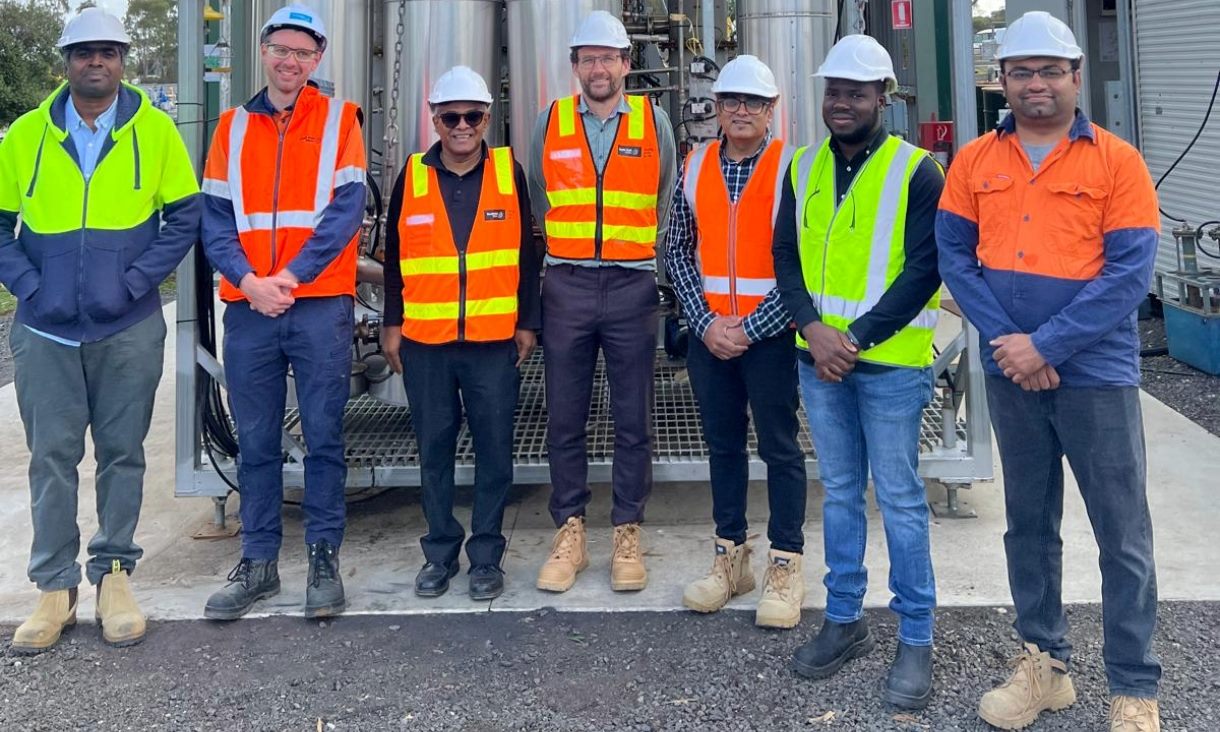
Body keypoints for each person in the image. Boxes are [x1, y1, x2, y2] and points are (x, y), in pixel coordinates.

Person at [936, 12, 1161, 732]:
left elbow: (1129, 276)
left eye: (1049, 71)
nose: (1036, 84)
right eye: (1021, 72)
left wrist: (1047, 346)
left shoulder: (1116, 162)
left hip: (1096, 374)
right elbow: (955, 262)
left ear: (1074, 77)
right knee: (1029, 526)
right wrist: (1011, 344)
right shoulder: (974, 162)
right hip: (1012, 373)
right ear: (1001, 80)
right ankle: (1044, 665)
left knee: (1120, 531)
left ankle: (1134, 686)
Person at [0, 7, 200, 652]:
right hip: (47, 331)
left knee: (122, 455)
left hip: (128, 328)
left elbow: (185, 217)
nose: (96, 62)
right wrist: (31, 289)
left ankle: (115, 574)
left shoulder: (155, 130)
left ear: (123, 61)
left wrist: (135, 282)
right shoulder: (25, 136)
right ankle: (54, 587)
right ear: (66, 61)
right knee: (52, 460)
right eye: (84, 52)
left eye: (108, 52)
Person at [774, 35, 945, 709]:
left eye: (855, 92)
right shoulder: (804, 165)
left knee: (900, 498)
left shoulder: (917, 171)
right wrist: (815, 333)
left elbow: (925, 268)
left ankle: (916, 636)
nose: (840, 102)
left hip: (890, 367)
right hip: (820, 361)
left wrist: (856, 337)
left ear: (883, 98)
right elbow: (784, 257)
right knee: (841, 492)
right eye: (833, 91)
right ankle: (844, 619)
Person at [200, 4, 366, 620]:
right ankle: (259, 562)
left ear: (317, 59)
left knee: (323, 438)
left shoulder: (339, 120)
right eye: (282, 50)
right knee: (257, 443)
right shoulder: (231, 128)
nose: (291, 61)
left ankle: (324, 556)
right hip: (249, 306)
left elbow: (345, 212)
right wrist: (250, 281)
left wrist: (288, 278)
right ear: (264, 51)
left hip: (316, 303)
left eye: (304, 53)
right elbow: (214, 222)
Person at [527, 10, 676, 593]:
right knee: (564, 414)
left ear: (625, 64)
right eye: (587, 58)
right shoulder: (550, 122)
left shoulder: (652, 120)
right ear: (574, 67)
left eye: (607, 58)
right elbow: (540, 198)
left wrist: (639, 251)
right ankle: (570, 532)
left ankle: (626, 531)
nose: (598, 68)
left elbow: (665, 195)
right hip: (565, 283)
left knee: (633, 416)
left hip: (632, 284)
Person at [380, 66, 541, 601]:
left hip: (493, 344)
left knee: (496, 452)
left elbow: (527, 254)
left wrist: (526, 321)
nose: (462, 126)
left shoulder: (507, 172)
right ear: (435, 120)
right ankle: (440, 552)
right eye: (451, 117)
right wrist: (391, 324)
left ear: (487, 119)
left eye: (472, 116)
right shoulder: (412, 176)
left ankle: (487, 556)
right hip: (426, 344)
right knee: (435, 450)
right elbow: (397, 260)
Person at [665, 55, 806, 628]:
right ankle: (730, 558)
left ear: (773, 110)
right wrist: (705, 324)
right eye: (730, 101)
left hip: (768, 337)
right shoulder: (695, 164)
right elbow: (675, 249)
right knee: (722, 447)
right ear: (716, 109)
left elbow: (804, 264)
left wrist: (749, 327)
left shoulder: (795, 168)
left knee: (780, 448)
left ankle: (785, 563)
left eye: (753, 102)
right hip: (710, 337)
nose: (741, 110)